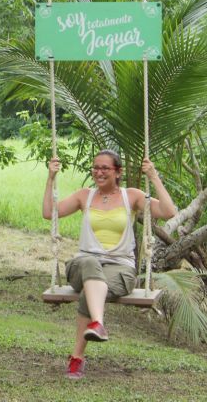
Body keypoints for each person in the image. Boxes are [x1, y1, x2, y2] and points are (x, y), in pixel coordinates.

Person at [44, 150, 177, 380]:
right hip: (83, 264)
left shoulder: (132, 197)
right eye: (95, 167)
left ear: (118, 172)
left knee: (90, 291)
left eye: (105, 168)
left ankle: (77, 358)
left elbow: (168, 212)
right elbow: (48, 213)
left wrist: (153, 177)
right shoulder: (84, 196)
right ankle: (98, 323)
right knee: (90, 264)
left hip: (121, 268)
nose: (99, 172)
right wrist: (50, 178)